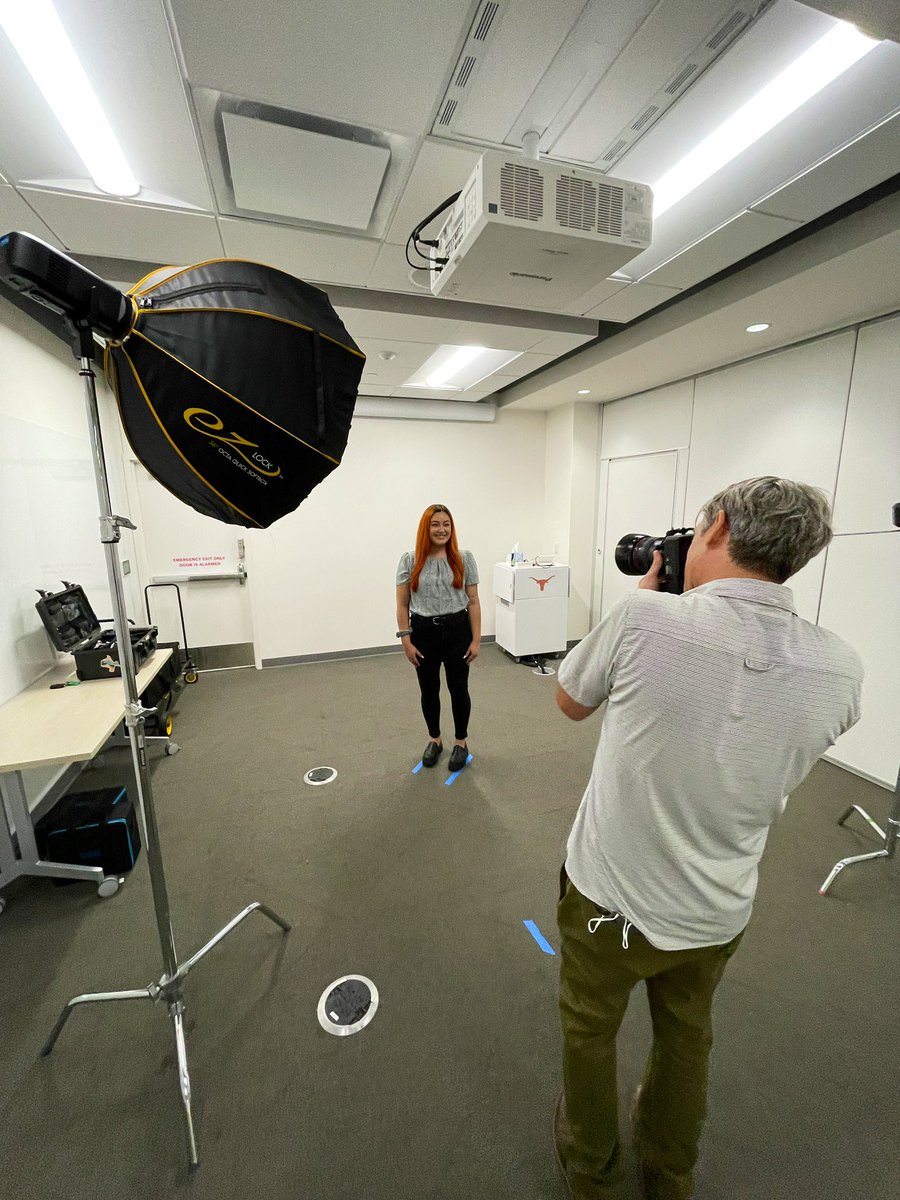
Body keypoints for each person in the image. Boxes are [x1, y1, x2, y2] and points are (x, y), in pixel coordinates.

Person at [552, 477, 863, 1200]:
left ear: (717, 528)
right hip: (717, 910)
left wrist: (659, 602)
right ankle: (670, 1174)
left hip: (610, 900)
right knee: (687, 1040)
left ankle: (591, 1174)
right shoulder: (843, 668)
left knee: (589, 1034)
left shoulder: (643, 620)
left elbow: (569, 700)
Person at [395, 504, 481, 771]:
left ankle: (460, 742)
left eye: (446, 524)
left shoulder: (464, 558)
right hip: (423, 633)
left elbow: (474, 601)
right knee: (429, 690)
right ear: (426, 528)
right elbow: (402, 605)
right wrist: (406, 641)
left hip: (457, 630)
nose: (441, 529)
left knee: (458, 689)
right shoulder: (409, 560)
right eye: (435, 524)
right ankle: (435, 739)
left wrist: (476, 640)